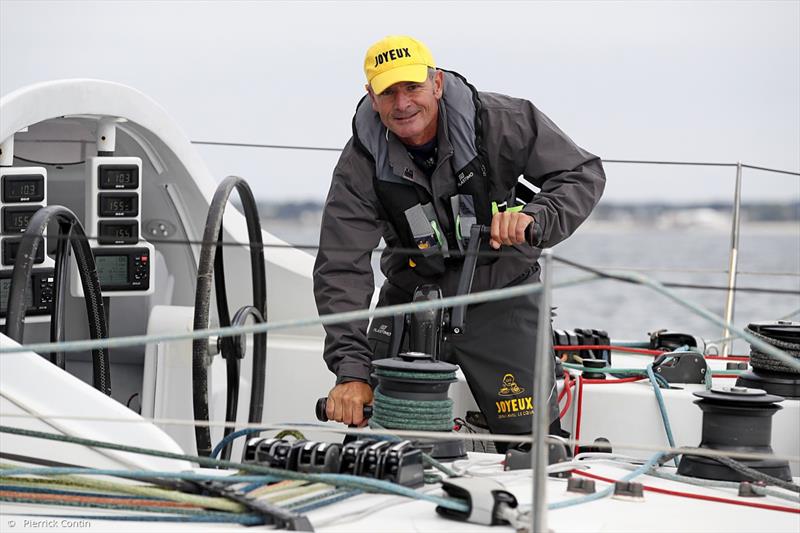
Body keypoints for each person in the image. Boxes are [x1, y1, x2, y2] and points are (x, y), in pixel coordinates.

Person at [313, 35, 605, 439]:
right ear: (371, 96)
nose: (403, 104)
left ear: (437, 84)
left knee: (536, 446)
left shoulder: (502, 120)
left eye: (412, 87)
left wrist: (534, 218)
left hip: (500, 294)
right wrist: (351, 371)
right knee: (376, 447)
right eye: (388, 92)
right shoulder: (360, 162)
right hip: (411, 300)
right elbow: (340, 266)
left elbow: (582, 173)